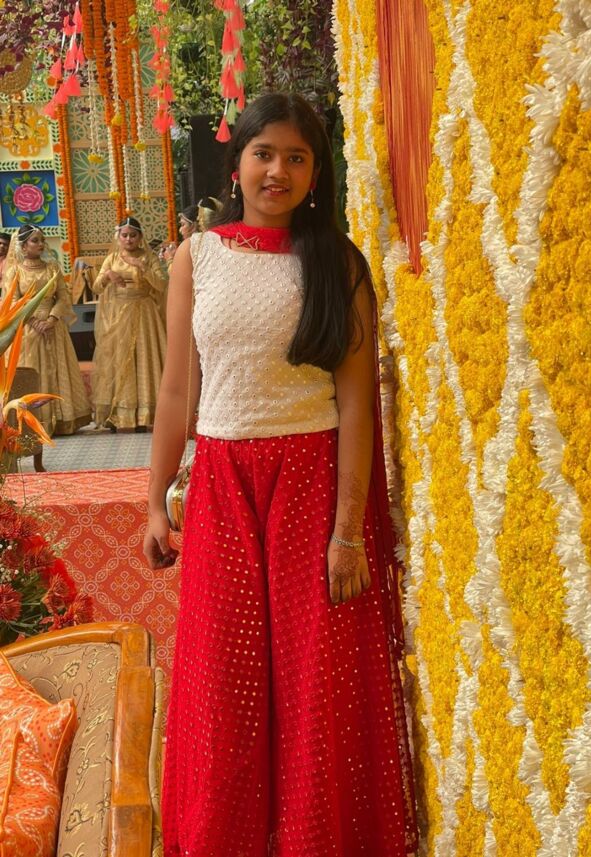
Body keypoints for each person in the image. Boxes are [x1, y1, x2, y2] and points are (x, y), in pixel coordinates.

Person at [144, 93, 418, 857]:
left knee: (313, 685)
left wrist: (347, 532)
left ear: (316, 174)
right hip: (222, 484)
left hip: (314, 486)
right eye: (265, 153)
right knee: (223, 678)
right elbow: (177, 389)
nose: (278, 171)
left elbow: (357, 405)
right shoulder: (197, 257)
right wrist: (155, 502)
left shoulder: (339, 264)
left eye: (297, 158)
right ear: (237, 163)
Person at [1, 225, 91, 467]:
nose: (41, 244)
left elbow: (63, 296)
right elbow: (12, 300)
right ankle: (33, 424)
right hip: (26, 330)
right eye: (35, 241)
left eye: (42, 240)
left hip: (53, 328)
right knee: (32, 375)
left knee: (56, 370)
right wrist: (33, 321)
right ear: (22, 246)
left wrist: (51, 319)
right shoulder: (15, 270)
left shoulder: (53, 268)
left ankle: (61, 420)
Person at [91, 217, 168, 432]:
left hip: (145, 314)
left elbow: (162, 285)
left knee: (145, 359)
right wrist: (107, 276)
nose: (128, 239)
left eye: (133, 235)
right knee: (117, 361)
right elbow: (96, 287)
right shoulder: (112, 258)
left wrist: (142, 267)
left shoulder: (148, 257)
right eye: (124, 235)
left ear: (140, 237)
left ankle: (146, 414)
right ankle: (117, 415)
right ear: (118, 237)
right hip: (117, 315)